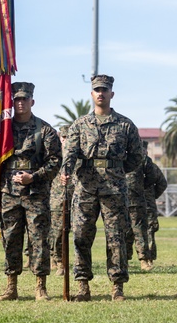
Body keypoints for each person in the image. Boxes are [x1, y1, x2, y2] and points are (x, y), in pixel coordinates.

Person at [60, 74, 144, 301]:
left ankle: (117, 286)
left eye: (104, 90)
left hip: (114, 189)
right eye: (97, 90)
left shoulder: (125, 125)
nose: (101, 93)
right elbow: (71, 153)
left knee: (116, 236)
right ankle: (83, 286)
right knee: (81, 236)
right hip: (85, 187)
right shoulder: (80, 125)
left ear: (111, 94)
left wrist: (117, 170)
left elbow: (137, 156)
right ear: (91, 94)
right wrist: (67, 170)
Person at [0, 82, 61, 301]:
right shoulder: (2, 130)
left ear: (32, 101)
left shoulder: (45, 130)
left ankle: (40, 286)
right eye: (17, 99)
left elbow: (55, 161)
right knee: (11, 239)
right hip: (8, 193)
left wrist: (34, 177)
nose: (20, 103)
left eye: (24, 99)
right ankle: (11, 286)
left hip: (36, 194)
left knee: (39, 240)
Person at [125, 141, 166, 271]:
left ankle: (146, 259)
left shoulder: (146, 163)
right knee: (123, 233)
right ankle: (124, 259)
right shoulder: (122, 160)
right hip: (122, 202)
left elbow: (158, 181)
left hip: (140, 203)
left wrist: (143, 190)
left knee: (143, 232)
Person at [49, 126, 74, 275]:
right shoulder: (55, 155)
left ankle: (63, 259)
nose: (65, 141)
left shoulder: (76, 155)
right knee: (57, 232)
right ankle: (58, 260)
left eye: (68, 138)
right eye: (63, 138)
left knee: (71, 231)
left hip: (74, 198)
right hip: (56, 199)